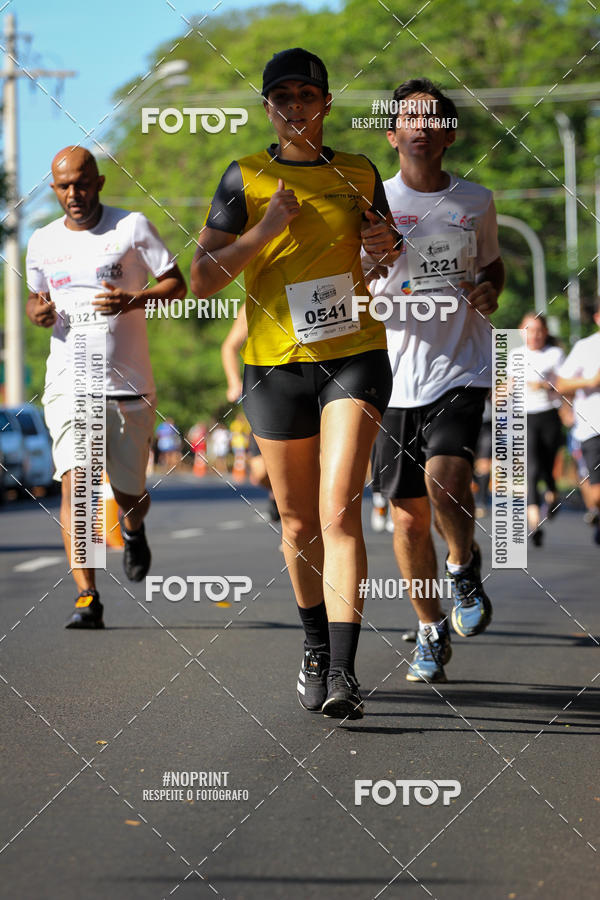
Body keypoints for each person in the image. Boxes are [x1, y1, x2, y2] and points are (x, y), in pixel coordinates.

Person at [191, 48, 398, 718]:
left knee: (338, 509)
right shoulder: (245, 176)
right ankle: (313, 644)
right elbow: (202, 278)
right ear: (268, 109)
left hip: (355, 353)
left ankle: (342, 671)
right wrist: (265, 229)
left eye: (307, 95)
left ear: (326, 104)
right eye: (282, 96)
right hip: (274, 364)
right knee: (298, 519)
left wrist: (384, 248)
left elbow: (388, 250)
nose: (295, 107)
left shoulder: (360, 171)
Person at [367, 78, 504, 683]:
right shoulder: (368, 203)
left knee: (444, 480)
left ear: (448, 132)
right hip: (389, 374)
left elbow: (493, 264)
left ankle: (464, 564)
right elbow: (347, 280)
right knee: (406, 517)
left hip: (460, 364)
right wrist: (371, 261)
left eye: (433, 117)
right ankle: (429, 628)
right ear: (392, 133)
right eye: (408, 118)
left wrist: (490, 289)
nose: (420, 125)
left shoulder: (475, 201)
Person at [25, 146, 186, 628]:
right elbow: (37, 301)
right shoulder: (41, 242)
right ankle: (87, 596)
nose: (74, 193)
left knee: (128, 492)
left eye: (82, 183)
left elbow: (176, 284)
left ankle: (134, 530)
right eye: (64, 186)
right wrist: (37, 313)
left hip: (127, 387)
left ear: (98, 182)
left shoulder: (131, 227)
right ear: (54, 189)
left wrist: (133, 299)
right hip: (69, 381)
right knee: (79, 487)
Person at [221, 304, 279, 521]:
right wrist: (233, 382)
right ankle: (278, 493)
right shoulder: (252, 303)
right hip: (263, 398)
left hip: (307, 396)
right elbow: (229, 346)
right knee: (260, 473)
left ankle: (302, 533)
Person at [516, 313, 565, 547]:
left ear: (545, 332)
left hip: (549, 415)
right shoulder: (514, 355)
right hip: (525, 417)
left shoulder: (554, 354)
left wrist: (545, 384)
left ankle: (553, 493)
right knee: (532, 469)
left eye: (538, 330)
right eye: (529, 330)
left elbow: (564, 384)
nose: (533, 335)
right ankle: (534, 525)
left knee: (546, 467)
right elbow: (503, 387)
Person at [556, 300, 600, 545]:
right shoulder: (586, 347)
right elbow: (562, 384)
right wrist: (591, 381)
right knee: (597, 491)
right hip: (593, 427)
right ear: (597, 318)